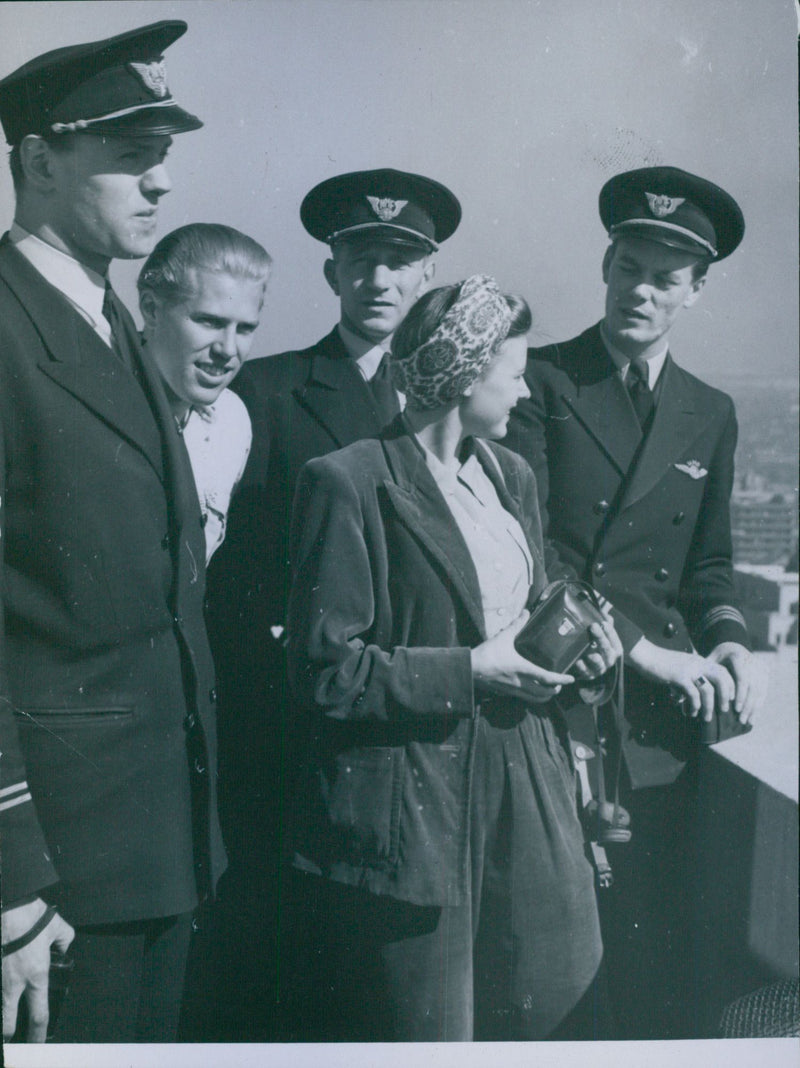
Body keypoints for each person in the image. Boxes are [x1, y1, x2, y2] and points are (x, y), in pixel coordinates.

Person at [283, 275, 623, 1041]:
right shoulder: (349, 482)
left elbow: (526, 616)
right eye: (515, 370)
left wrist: (581, 656)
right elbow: (324, 671)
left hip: (529, 782)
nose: (526, 387)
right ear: (468, 375)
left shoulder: (511, 477)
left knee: (560, 1005)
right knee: (434, 1029)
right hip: (418, 804)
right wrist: (469, 671)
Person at [0, 22, 226, 1043]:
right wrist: (11, 884)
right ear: (39, 159)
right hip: (55, 879)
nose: (160, 185)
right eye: (131, 155)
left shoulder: (110, 319)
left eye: (164, 158)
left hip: (154, 844)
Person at [505, 165, 769, 1039]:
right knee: (556, 965)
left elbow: (711, 567)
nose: (641, 292)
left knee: (653, 959)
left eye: (665, 277)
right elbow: (528, 549)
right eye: (629, 268)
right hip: (556, 710)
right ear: (606, 266)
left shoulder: (710, 411)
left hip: (660, 736)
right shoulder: (541, 383)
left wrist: (728, 641)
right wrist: (646, 650)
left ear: (696, 290)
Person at [199, 168, 461, 1039]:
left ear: (427, 276)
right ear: (332, 273)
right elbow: (228, 574)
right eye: (363, 258)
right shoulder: (267, 394)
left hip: (412, 736)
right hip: (299, 741)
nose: (380, 279)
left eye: (400, 260)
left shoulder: (450, 400)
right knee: (293, 980)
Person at [137, 223, 272, 563]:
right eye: (209, 322)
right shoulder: (92, 402)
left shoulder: (232, 420)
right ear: (152, 310)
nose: (228, 349)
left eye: (244, 329)